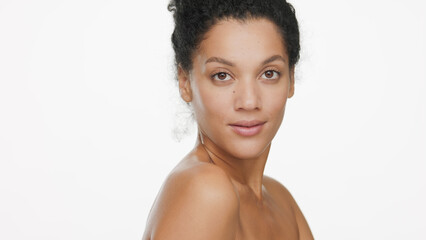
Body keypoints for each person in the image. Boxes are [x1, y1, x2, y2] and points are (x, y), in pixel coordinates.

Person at [142, 0, 313, 239]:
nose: (249, 101)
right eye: (222, 76)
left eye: (269, 73)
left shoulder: (281, 201)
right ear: (185, 82)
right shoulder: (205, 190)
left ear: (291, 79)